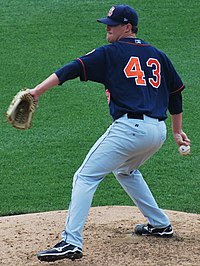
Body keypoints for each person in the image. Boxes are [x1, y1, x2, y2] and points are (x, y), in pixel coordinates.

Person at [30, 4, 190, 262]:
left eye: (112, 24)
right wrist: (177, 130)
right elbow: (175, 92)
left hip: (130, 129)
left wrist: (36, 91)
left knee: (84, 177)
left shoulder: (111, 52)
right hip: (157, 132)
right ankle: (160, 224)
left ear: (127, 27)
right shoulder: (157, 54)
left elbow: (72, 68)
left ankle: (71, 241)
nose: (107, 28)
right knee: (126, 171)